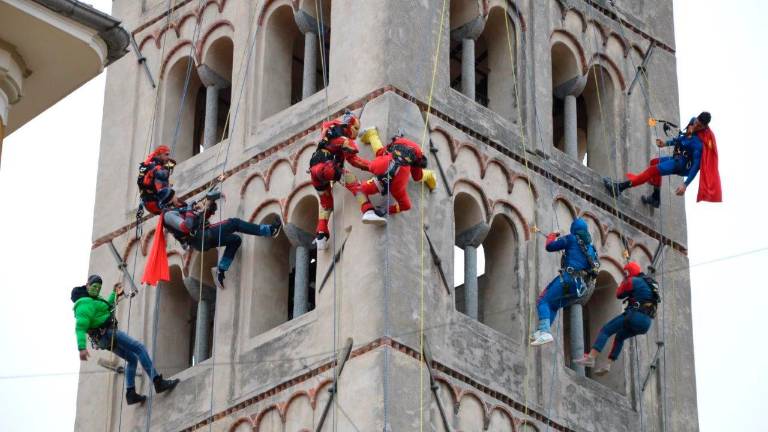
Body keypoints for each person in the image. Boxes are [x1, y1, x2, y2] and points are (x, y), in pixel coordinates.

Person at [72, 275, 179, 405]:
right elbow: (80, 326)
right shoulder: (84, 303)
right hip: (108, 333)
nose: (96, 290)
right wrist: (81, 348)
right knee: (139, 348)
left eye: (99, 288)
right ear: (87, 285)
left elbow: (105, 308)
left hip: (105, 339)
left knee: (132, 359)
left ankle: (131, 393)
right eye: (94, 287)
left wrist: (114, 293)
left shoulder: (92, 299)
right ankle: (157, 382)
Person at [161, 191, 281, 285]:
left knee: (235, 240)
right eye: (174, 196)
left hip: (203, 237)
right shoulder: (169, 215)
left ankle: (221, 269)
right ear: (170, 200)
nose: (177, 197)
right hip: (202, 237)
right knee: (234, 223)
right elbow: (186, 226)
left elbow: (198, 220)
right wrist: (191, 210)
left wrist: (208, 207)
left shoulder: (179, 210)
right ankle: (270, 230)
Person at [602, 112, 714, 208]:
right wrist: (665, 143)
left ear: (704, 127)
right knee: (654, 162)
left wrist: (685, 185)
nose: (696, 126)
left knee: (651, 171)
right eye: (696, 123)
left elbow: (695, 167)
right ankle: (656, 198)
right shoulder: (693, 122)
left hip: (681, 164)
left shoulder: (698, 145)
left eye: (699, 126)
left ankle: (619, 188)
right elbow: (681, 139)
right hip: (677, 156)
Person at [309, 110, 385, 250]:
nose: (356, 133)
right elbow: (354, 158)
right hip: (328, 168)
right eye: (356, 128)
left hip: (314, 170)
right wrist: (373, 167)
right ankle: (368, 211)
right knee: (353, 182)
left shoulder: (327, 131)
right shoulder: (343, 138)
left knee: (326, 203)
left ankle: (321, 236)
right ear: (348, 126)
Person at [574, 261, 660, 375]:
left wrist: (625, 281)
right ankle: (608, 364)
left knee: (606, 330)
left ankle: (591, 357)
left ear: (629, 272)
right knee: (619, 337)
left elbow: (619, 294)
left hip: (634, 316)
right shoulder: (649, 285)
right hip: (646, 323)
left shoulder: (633, 281)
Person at [531, 218, 600, 346]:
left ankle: (545, 331)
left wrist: (553, 235)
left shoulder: (571, 238)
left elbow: (550, 246)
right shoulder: (591, 248)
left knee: (543, 300)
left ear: (573, 228)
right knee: (554, 305)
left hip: (569, 278)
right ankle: (542, 331)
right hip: (580, 288)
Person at [357, 127, 437, 214]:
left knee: (418, 177)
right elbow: (406, 206)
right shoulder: (376, 166)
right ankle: (372, 134)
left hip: (407, 150)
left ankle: (431, 175)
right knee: (380, 153)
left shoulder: (397, 189)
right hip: (403, 146)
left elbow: (406, 206)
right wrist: (387, 210)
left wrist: (386, 210)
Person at [138, 145, 183, 214]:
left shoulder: (149, 165)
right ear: (159, 154)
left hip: (147, 202)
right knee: (183, 209)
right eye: (166, 154)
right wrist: (175, 199)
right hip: (155, 202)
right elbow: (162, 191)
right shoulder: (159, 169)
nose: (168, 158)